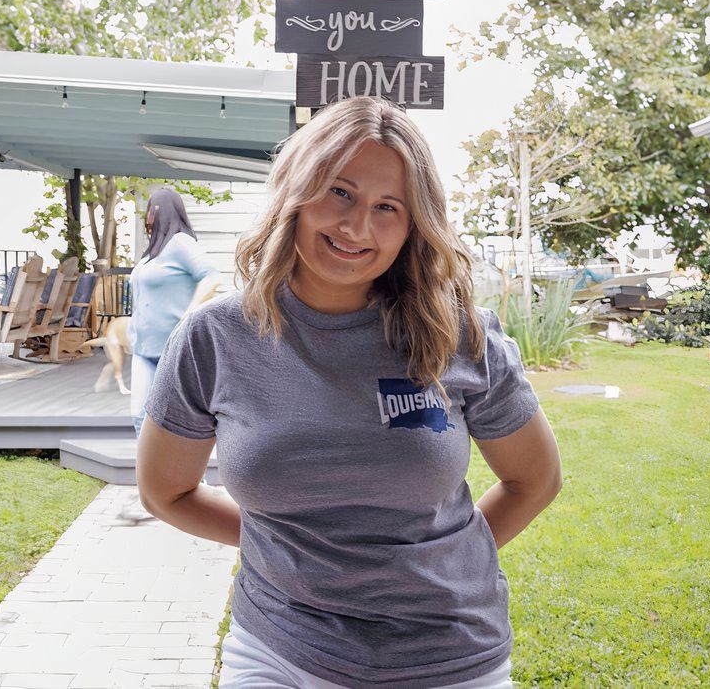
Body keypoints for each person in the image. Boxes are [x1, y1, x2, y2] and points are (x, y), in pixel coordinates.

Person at [136, 97, 563, 688]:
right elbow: (165, 492)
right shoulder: (215, 336)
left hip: (448, 653)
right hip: (280, 647)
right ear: (297, 190)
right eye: (340, 192)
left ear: (415, 224)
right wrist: (289, 551)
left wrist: (439, 564)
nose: (357, 226)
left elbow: (534, 480)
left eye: (387, 206)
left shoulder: (459, 333)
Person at [126, 188, 219, 434]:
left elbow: (210, 276)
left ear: (164, 211)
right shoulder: (152, 254)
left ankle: (190, 474)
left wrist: (189, 314)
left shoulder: (180, 243)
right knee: (139, 416)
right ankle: (149, 474)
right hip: (143, 350)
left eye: (152, 209)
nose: (147, 216)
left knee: (178, 422)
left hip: (173, 350)